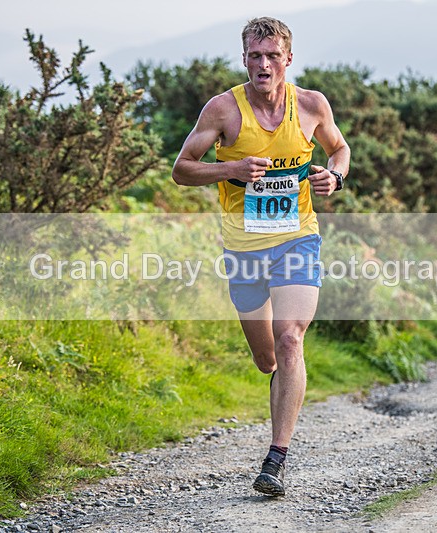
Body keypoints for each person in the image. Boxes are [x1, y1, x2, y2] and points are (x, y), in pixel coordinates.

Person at [172, 16, 350, 497]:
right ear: (244, 58)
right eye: (255, 55)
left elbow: (340, 149)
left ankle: (276, 459)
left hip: (298, 238)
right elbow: (181, 170)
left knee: (291, 338)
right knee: (266, 356)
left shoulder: (311, 105)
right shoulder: (223, 110)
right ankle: (276, 383)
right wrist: (230, 167)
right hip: (244, 246)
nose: (264, 64)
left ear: (288, 59)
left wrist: (335, 177)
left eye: (273, 55)